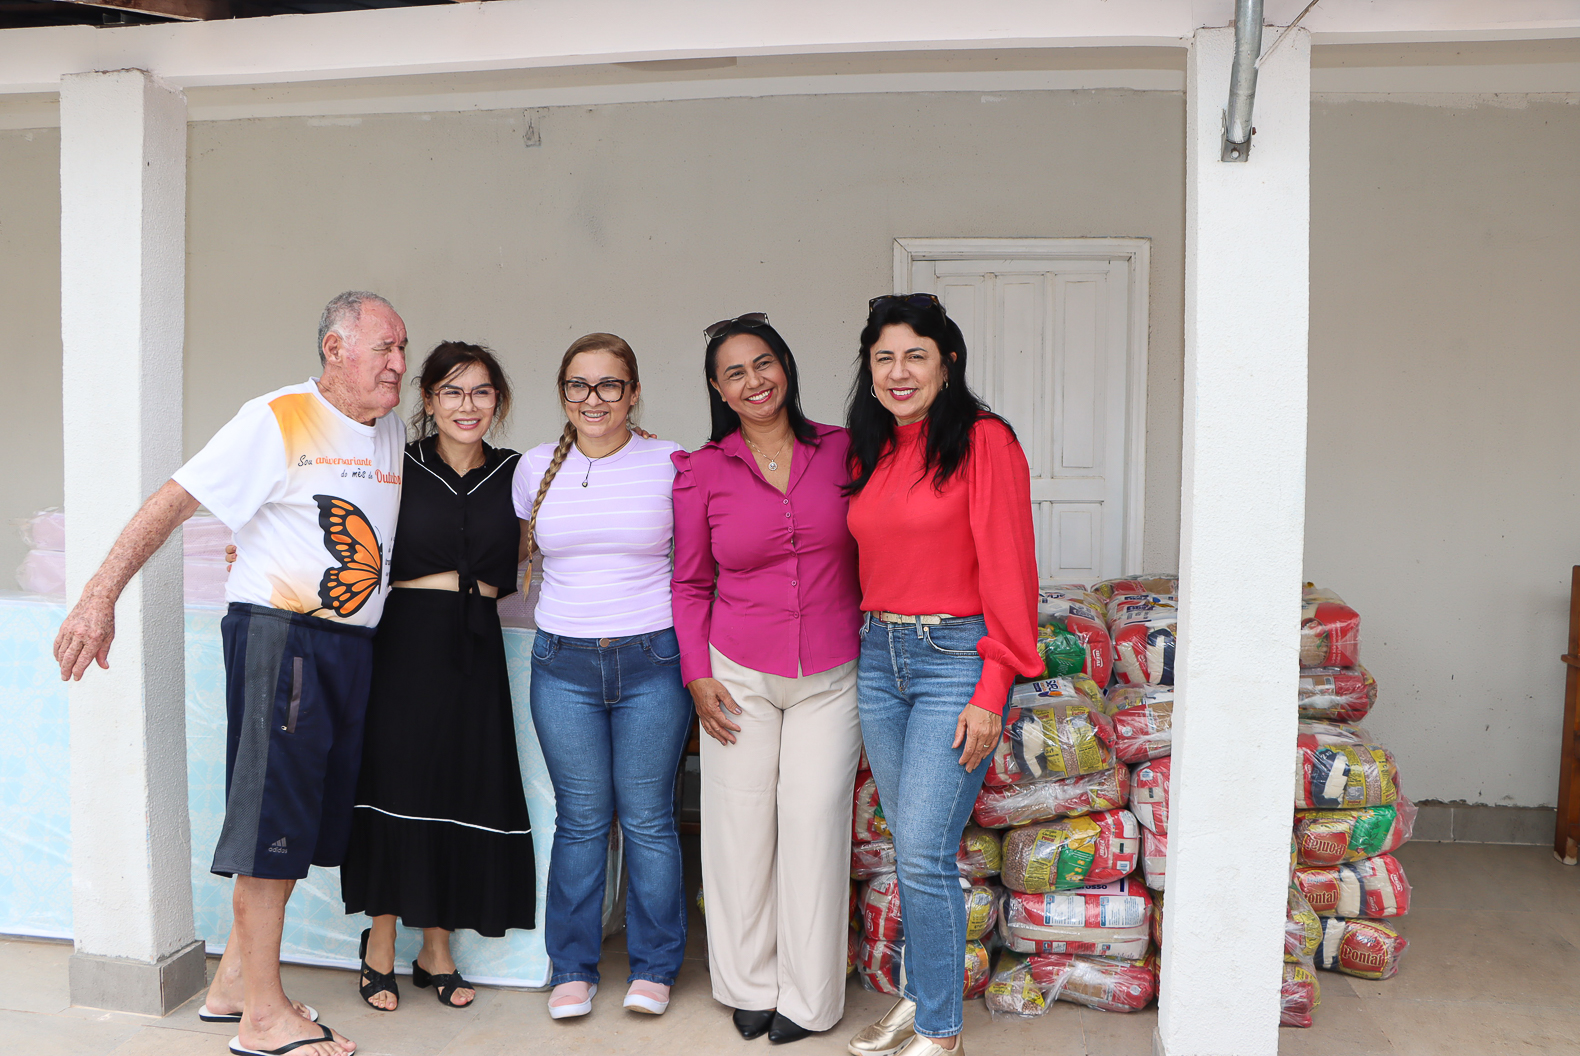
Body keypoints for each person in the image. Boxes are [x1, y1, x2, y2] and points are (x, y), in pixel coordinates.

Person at [53, 290, 410, 1056]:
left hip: (348, 648)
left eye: (402, 348)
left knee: (299, 823)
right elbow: (174, 503)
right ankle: (263, 1019)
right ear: (335, 350)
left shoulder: (390, 428)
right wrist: (97, 598)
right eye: (384, 348)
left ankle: (229, 990)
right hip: (286, 643)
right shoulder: (276, 418)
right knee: (268, 828)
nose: (399, 364)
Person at [842, 294, 1041, 1056]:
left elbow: (1011, 573)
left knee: (924, 851)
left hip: (954, 659)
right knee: (910, 849)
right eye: (884, 357)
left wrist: (994, 689)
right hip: (877, 659)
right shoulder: (874, 448)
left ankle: (941, 1030)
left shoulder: (984, 443)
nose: (899, 372)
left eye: (915, 355)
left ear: (947, 362)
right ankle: (923, 1001)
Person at [670, 313, 863, 1045]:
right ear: (718, 388)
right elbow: (689, 585)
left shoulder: (845, 451)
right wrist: (697, 675)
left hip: (833, 674)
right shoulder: (701, 471)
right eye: (735, 373)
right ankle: (748, 984)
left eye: (764, 364)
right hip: (738, 675)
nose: (754, 382)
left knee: (812, 825)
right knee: (739, 830)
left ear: (786, 365)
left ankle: (810, 999)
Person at [338, 341, 536, 1012]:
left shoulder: (517, 472)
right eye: (452, 392)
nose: (467, 405)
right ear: (427, 400)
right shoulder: (396, 462)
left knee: (461, 786)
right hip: (403, 642)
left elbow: (587, 474)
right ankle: (380, 944)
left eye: (481, 392)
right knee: (397, 784)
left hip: (476, 644)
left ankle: (437, 949)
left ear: (498, 402)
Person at [511, 333, 692, 1021]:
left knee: (647, 821)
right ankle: (573, 967)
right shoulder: (534, 469)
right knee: (582, 821)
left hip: (653, 660)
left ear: (633, 391)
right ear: (563, 394)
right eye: (579, 386)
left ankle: (654, 966)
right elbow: (503, 552)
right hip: (564, 664)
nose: (595, 399)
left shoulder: (669, 461)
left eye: (609, 385)